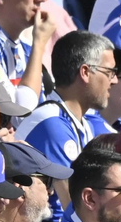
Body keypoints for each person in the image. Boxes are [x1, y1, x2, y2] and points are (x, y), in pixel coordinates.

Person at [14, 31, 115, 183]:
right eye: (109, 72)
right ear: (85, 72)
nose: (114, 81)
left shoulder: (84, 123)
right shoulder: (52, 123)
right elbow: (71, 202)